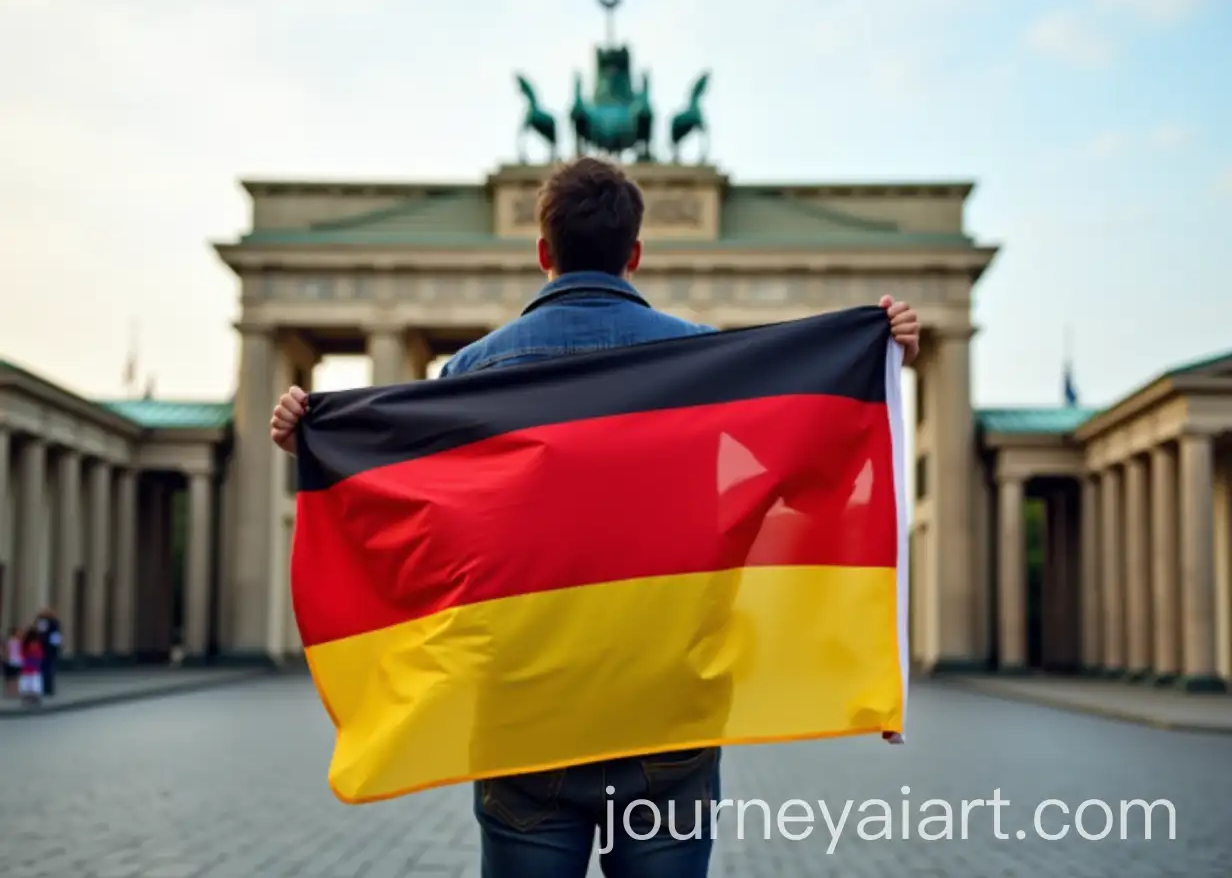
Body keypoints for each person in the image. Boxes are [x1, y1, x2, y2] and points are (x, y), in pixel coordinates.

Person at [270, 157, 920, 878]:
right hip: (667, 714)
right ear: (634, 254)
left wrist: (314, 429)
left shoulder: (470, 376)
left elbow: (416, 522)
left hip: (524, 716)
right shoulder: (705, 364)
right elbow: (794, 470)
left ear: (543, 251)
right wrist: (877, 355)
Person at [34, 607, 61, 697]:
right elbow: (56, 636)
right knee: (48, 669)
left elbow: (40, 634)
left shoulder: (43, 622)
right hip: (49, 648)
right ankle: (47, 688)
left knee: (45, 669)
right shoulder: (54, 623)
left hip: (45, 648)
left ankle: (45, 688)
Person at [18, 628, 43, 705]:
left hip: (26, 667)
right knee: (34, 682)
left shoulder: (25, 644)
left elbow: (22, 654)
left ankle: (26, 698)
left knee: (26, 682)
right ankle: (34, 698)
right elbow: (40, 655)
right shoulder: (37, 644)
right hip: (34, 667)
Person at [4, 627, 22, 698]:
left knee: (16, 677)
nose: (20, 634)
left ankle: (15, 691)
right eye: (18, 632)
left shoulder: (21, 641)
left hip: (19, 661)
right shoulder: (11, 641)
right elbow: (7, 651)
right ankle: (9, 692)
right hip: (11, 661)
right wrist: (6, 658)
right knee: (11, 678)